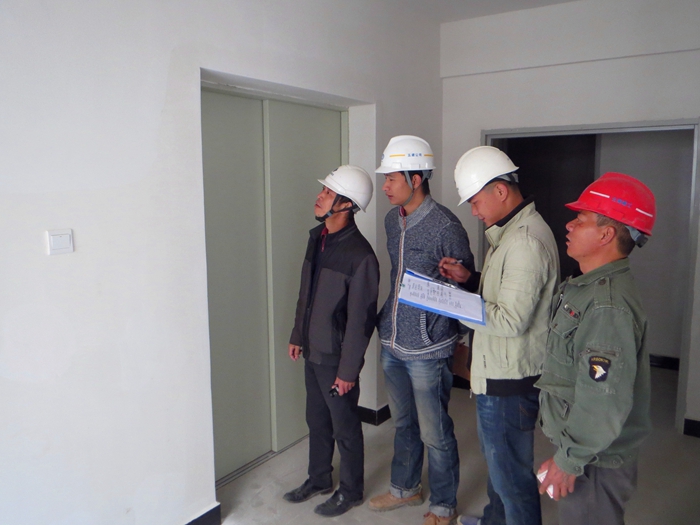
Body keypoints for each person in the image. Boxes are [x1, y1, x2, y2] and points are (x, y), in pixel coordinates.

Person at [440, 146, 560, 525]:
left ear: (501, 191)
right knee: (499, 467)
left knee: (511, 478)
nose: (474, 212)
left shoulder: (524, 241)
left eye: (475, 202)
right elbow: (507, 293)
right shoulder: (510, 233)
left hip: (510, 382)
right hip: (500, 371)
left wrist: (453, 303)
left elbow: (510, 320)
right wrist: (469, 280)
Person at [536, 172, 656, 525]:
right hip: (587, 449)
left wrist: (568, 461)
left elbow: (602, 401)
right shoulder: (587, 287)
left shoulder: (607, 306)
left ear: (606, 235)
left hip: (595, 460)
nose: (569, 225)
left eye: (581, 219)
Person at [368, 135, 475, 525]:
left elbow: (464, 286)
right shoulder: (391, 221)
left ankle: (444, 506)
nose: (385, 186)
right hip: (393, 341)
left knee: (435, 432)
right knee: (403, 423)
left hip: (429, 348)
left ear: (416, 179)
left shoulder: (445, 225)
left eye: (391, 178)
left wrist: (456, 336)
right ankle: (405, 488)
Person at [283, 165, 380, 518]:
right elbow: (305, 294)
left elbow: (360, 322)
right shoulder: (318, 238)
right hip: (313, 350)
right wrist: (298, 335)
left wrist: (348, 372)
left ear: (346, 205)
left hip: (337, 360)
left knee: (345, 428)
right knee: (317, 420)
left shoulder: (360, 256)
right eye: (323, 190)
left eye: (328, 192)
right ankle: (319, 478)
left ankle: (351, 491)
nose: (319, 196)